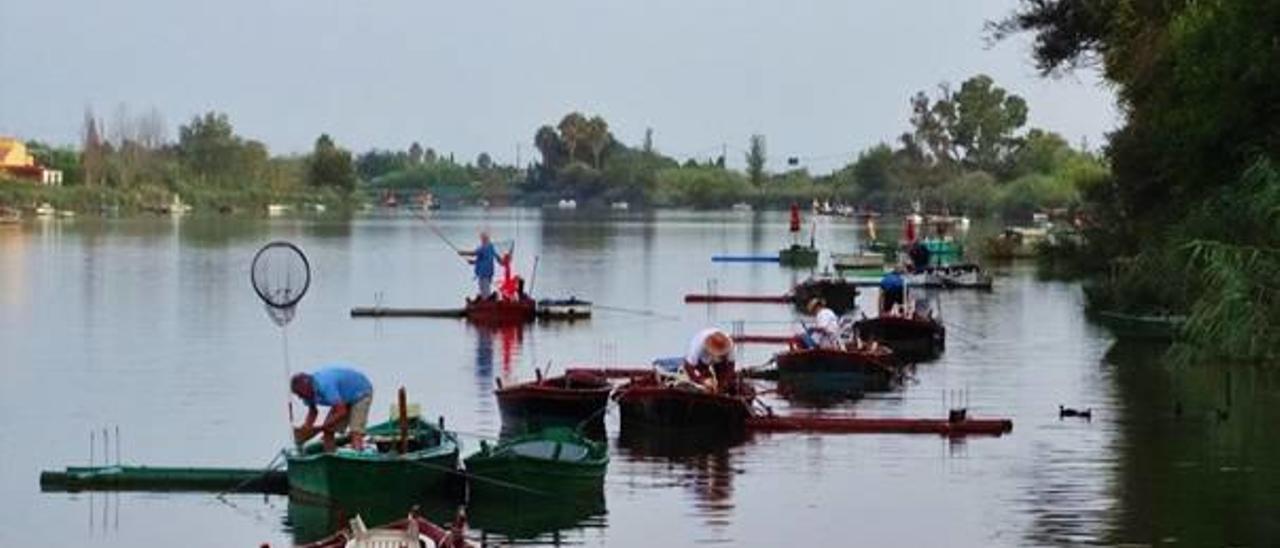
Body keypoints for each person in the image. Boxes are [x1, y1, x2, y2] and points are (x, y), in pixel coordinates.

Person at [290, 365, 374, 452]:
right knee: (328, 431)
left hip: (361, 392)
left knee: (355, 431)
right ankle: (330, 456)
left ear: (307, 387)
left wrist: (322, 426)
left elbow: (342, 411)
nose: (300, 397)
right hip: (343, 398)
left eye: (300, 394)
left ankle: (358, 454)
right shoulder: (305, 394)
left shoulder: (326, 386)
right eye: (298, 395)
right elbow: (313, 412)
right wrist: (306, 428)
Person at [683, 328, 737, 394]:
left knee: (724, 382)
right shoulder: (698, 346)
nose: (716, 355)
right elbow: (688, 367)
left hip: (721, 362)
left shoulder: (730, 344)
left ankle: (720, 393)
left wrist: (725, 382)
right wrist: (702, 381)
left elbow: (731, 366)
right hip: (702, 361)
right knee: (707, 382)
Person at [473, 232, 499, 299]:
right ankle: (485, 300)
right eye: (482, 238)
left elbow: (474, 253)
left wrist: (463, 253)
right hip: (482, 273)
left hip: (486, 272)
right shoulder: (485, 247)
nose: (482, 240)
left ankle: (487, 301)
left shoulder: (487, 247)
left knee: (485, 288)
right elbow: (480, 259)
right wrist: (472, 262)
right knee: (482, 288)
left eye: (484, 238)